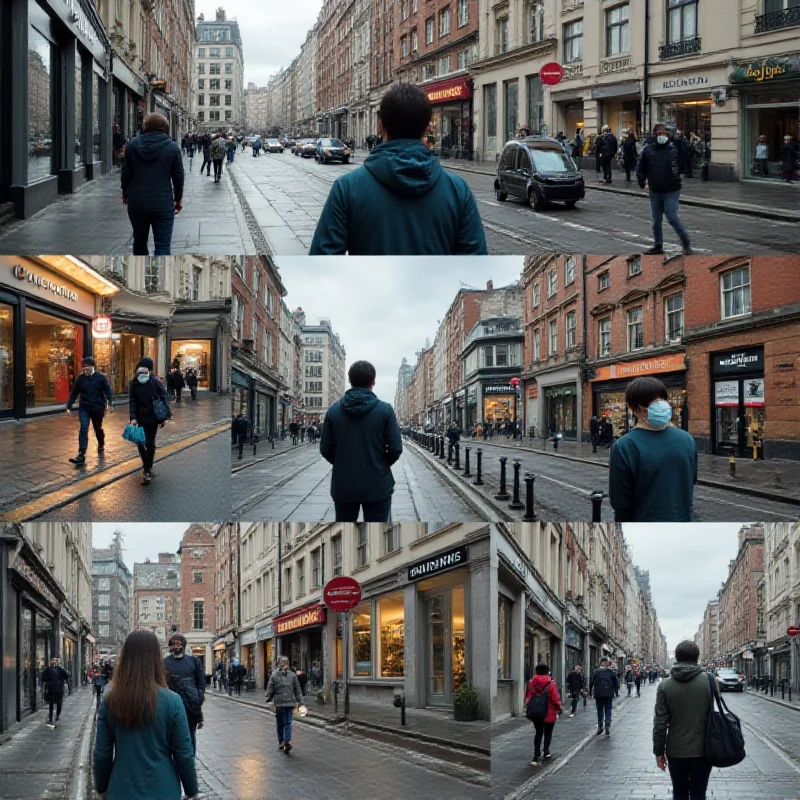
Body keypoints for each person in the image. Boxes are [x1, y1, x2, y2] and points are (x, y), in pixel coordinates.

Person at [310, 83, 487, 255]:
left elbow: (322, 264)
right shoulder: (458, 190)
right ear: (427, 129)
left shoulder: (346, 189)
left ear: (380, 127)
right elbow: (475, 267)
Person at [94, 630, 198, 800]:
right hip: (163, 789)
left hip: (122, 788)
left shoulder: (110, 700)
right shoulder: (172, 701)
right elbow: (184, 754)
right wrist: (191, 790)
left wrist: (101, 788)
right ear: (156, 659)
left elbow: (102, 754)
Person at [320, 360, 403, 522]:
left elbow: (325, 449)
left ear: (350, 381)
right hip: (378, 485)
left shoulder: (333, 411)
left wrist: (342, 462)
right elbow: (396, 448)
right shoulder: (385, 410)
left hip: (344, 486)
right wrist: (380, 464)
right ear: (373, 382)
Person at [609, 376, 698, 522]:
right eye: (653, 402)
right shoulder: (687, 439)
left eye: (661, 400)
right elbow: (691, 481)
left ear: (632, 409)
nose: (659, 405)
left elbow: (620, 503)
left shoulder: (625, 446)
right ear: (636, 408)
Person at [653, 640, 713, 800]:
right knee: (699, 793)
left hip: (676, 750)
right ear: (697, 657)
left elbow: (660, 723)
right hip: (704, 749)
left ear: (677, 658)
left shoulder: (665, 686)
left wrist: (659, 751)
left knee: (679, 792)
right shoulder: (710, 681)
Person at [121, 113, 184, 256]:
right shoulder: (172, 148)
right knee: (163, 246)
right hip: (163, 203)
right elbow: (178, 177)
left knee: (139, 242)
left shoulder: (132, 145)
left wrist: (125, 193)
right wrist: (178, 198)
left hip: (137, 202)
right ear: (165, 127)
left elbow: (126, 173)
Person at [637, 123, 692, 255]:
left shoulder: (673, 148)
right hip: (655, 192)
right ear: (655, 135)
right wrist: (642, 183)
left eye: (665, 134)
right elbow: (641, 168)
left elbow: (686, 156)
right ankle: (658, 245)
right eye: (660, 134)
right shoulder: (648, 150)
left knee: (672, 217)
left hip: (671, 191)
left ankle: (686, 243)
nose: (662, 136)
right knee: (656, 220)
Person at [129, 357, 172, 486]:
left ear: (149, 370)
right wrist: (133, 417)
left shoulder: (155, 382)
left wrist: (163, 417)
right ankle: (146, 465)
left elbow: (164, 397)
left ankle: (147, 469)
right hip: (140, 417)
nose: (142, 374)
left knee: (150, 442)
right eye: (140, 371)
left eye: (145, 371)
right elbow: (132, 401)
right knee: (140, 442)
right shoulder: (135, 383)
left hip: (153, 417)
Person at [64, 356, 113, 466]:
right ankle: (81, 454)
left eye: (87, 368)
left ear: (92, 367)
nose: (85, 370)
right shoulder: (80, 379)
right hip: (84, 407)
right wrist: (68, 407)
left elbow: (108, 391)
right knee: (83, 429)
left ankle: (101, 443)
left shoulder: (100, 378)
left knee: (97, 428)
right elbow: (74, 393)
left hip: (97, 408)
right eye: (83, 368)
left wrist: (110, 403)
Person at [163, 634, 205, 755]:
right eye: (173, 644)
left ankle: (190, 762)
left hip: (191, 706)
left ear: (183, 645)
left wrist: (199, 697)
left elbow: (201, 681)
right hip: (171, 706)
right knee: (171, 737)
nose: (175, 646)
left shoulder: (194, 661)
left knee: (190, 737)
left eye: (178, 643)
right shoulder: (165, 662)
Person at [524, 663, 562, 766]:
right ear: (547, 671)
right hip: (549, 712)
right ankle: (546, 752)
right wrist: (559, 708)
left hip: (536, 712)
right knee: (548, 733)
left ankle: (536, 755)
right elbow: (555, 699)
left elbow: (527, 697)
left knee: (538, 732)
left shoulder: (531, 683)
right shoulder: (551, 684)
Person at [266, 656, 305, 754]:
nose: (284, 665)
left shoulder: (285, 675)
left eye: (285, 663)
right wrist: (269, 700)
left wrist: (301, 703)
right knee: (284, 723)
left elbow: (298, 690)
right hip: (284, 703)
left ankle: (284, 742)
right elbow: (270, 689)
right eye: (283, 663)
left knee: (284, 723)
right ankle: (283, 741)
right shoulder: (280, 675)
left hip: (285, 703)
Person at [589, 656, 619, 737]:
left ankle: (600, 726)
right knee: (608, 710)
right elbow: (616, 682)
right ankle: (607, 725)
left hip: (598, 694)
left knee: (600, 710)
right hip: (608, 694)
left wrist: (590, 691)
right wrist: (616, 691)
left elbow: (591, 682)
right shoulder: (611, 671)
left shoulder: (596, 671)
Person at [41, 656, 70, 725]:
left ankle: (57, 715)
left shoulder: (60, 669)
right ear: (51, 661)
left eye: (56, 660)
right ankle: (51, 716)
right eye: (53, 660)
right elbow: (43, 678)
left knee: (58, 703)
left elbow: (66, 676)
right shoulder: (48, 669)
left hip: (58, 689)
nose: (55, 662)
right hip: (52, 689)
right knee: (52, 703)